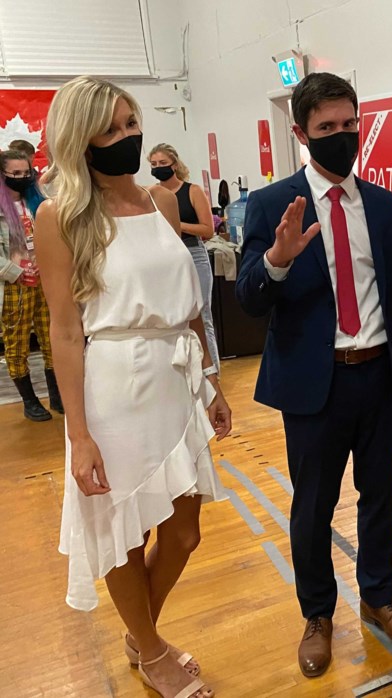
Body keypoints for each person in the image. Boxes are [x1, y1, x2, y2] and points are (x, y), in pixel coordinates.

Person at [236, 72, 392, 678]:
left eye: (348, 124)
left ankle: (380, 598)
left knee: (380, 495)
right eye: (326, 128)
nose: (340, 136)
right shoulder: (272, 205)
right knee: (312, 507)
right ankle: (317, 614)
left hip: (378, 376)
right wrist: (277, 261)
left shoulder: (383, 205)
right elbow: (251, 298)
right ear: (301, 132)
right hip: (314, 385)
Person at [36, 76, 232, 698]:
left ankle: (141, 632)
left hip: (176, 381)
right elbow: (64, 333)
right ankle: (150, 648)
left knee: (184, 531)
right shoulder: (60, 215)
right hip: (114, 385)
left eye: (130, 121)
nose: (128, 136)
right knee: (124, 531)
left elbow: (191, 306)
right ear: (80, 139)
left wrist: (209, 380)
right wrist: (78, 435)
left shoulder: (162, 202)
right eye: (111, 128)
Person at [148, 143, 220, 373]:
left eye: (163, 163)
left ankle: (213, 371)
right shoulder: (151, 194)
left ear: (175, 165)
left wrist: (177, 224)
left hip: (193, 252)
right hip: (165, 255)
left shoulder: (192, 190)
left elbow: (208, 230)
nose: (158, 168)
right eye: (154, 165)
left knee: (202, 312)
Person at [0, 148, 59, 420]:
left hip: (44, 278)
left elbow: (54, 235)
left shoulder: (39, 202)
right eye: (16, 174)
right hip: (14, 286)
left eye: (27, 173)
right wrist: (15, 271)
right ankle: (30, 400)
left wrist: (45, 261)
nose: (22, 178)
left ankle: (57, 396)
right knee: (17, 343)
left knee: (52, 339)